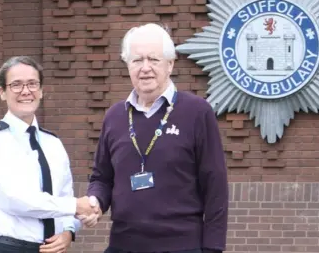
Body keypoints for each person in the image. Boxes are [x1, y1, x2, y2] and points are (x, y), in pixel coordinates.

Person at [83, 23, 229, 253]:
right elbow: (102, 178)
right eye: (137, 60)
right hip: (123, 244)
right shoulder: (114, 117)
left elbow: (215, 185)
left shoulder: (197, 112)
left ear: (170, 64)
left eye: (154, 59)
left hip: (181, 245)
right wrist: (95, 202)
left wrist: (212, 248)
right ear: (128, 65)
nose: (145, 68)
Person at [0, 56, 98, 253]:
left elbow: (64, 195)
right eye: (16, 85)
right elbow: (15, 199)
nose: (26, 91)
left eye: (32, 84)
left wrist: (68, 231)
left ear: (41, 91)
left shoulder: (53, 143)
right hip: (6, 248)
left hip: (52, 249)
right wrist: (75, 206)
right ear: (2, 92)